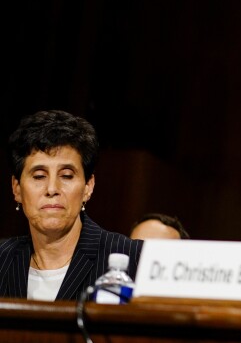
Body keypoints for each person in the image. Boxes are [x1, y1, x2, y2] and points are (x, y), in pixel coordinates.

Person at [0, 110, 142, 301]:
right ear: (17, 189)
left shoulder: (134, 258)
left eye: (66, 175)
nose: (52, 189)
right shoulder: (3, 259)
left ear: (88, 187)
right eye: (39, 176)